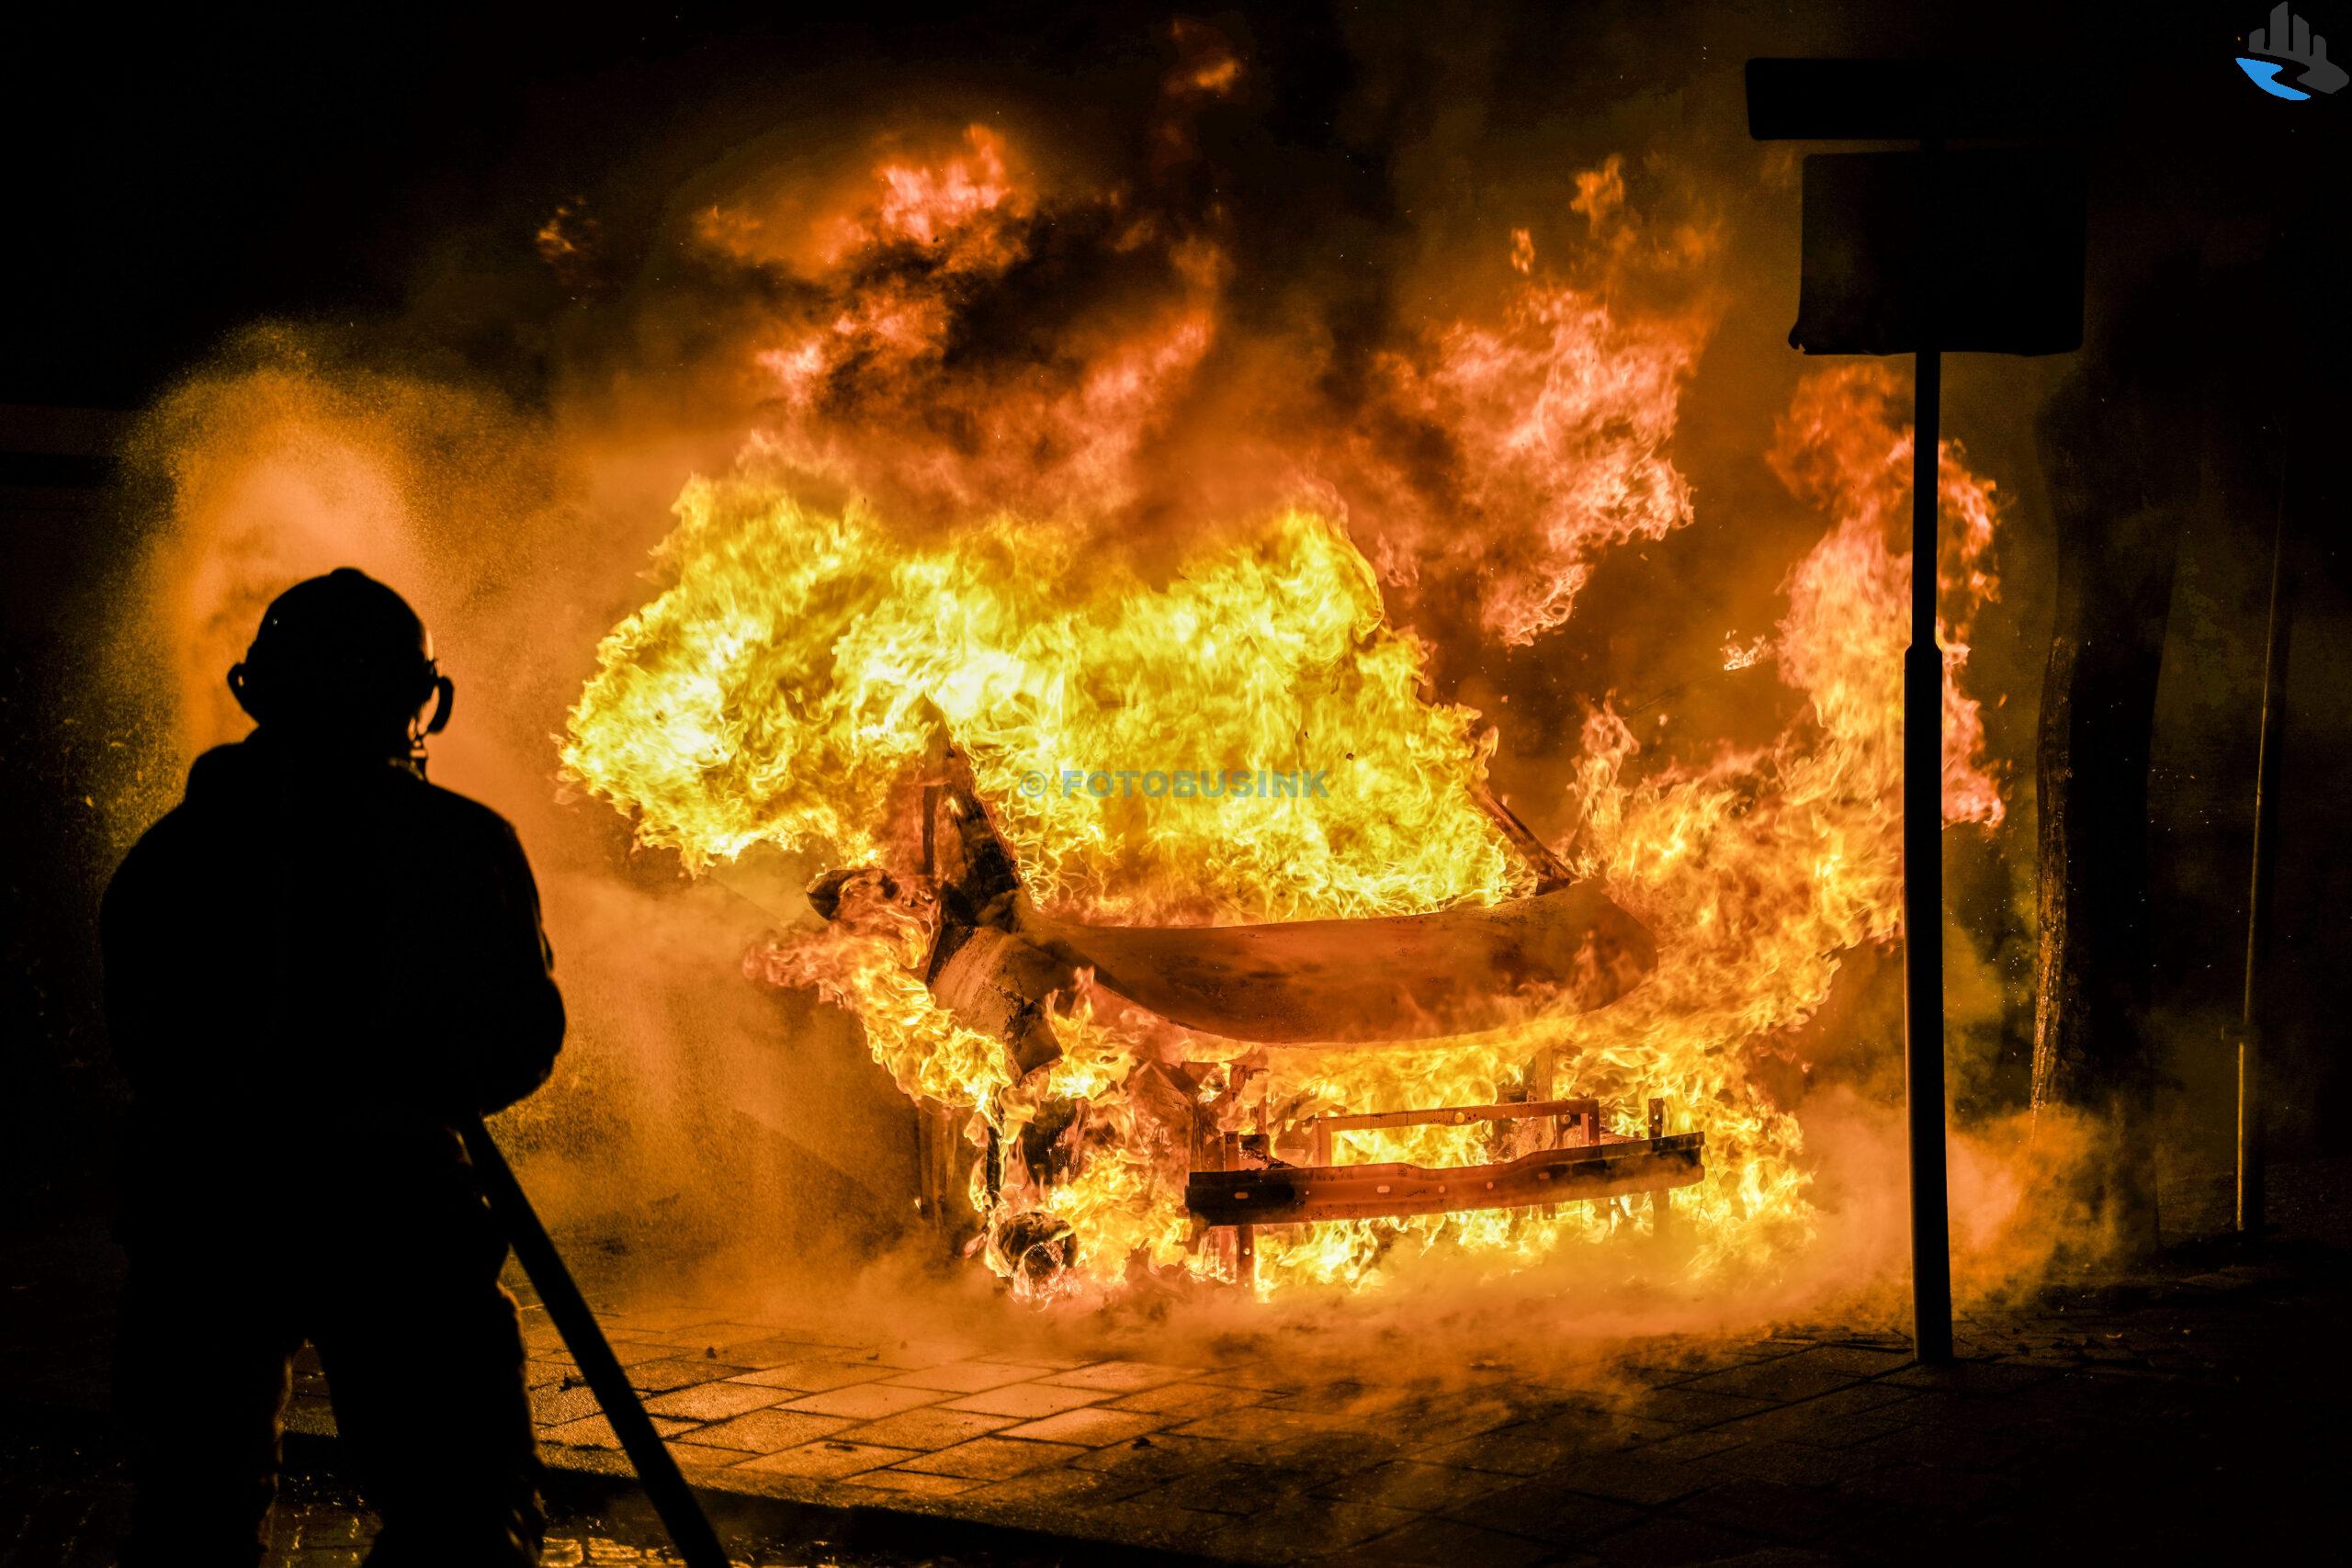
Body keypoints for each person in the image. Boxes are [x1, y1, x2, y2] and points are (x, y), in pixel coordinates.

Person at [101, 569, 565, 1566]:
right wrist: (412, 1078)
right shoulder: (457, 846)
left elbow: (143, 1041)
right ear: (419, 698)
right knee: (458, 1514)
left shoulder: (174, 855)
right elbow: (520, 1037)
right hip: (392, 1211)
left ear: (255, 692)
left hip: (203, 1210)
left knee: (191, 1511)